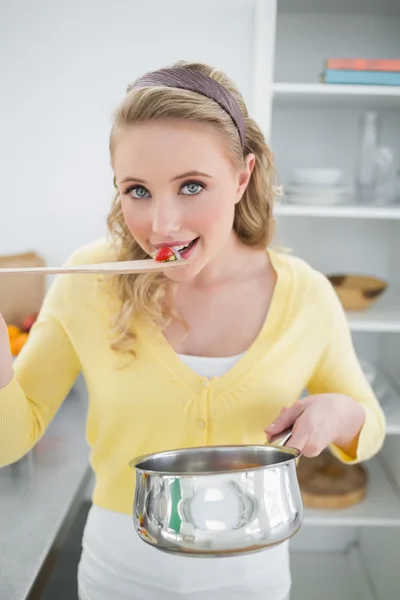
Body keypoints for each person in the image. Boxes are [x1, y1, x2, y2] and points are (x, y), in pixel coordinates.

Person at [0, 61, 386, 600]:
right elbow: (9, 440)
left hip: (253, 580)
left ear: (242, 177)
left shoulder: (306, 295)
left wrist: (339, 414)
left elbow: (367, 428)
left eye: (191, 186)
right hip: (118, 576)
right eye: (137, 190)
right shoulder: (86, 281)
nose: (161, 223)